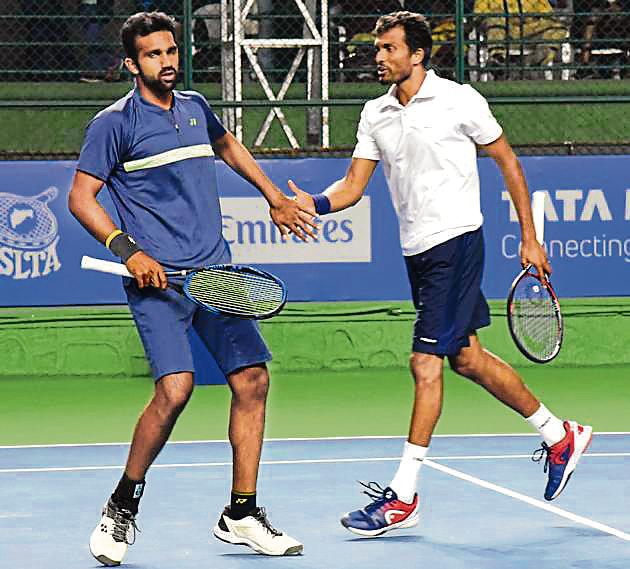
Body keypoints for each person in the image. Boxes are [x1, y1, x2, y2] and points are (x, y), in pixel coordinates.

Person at [290, 11, 592, 537]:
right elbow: (353, 186)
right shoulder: (375, 113)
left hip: (456, 242)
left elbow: (507, 161)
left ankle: (403, 496)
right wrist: (315, 203)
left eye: (388, 48)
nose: (379, 56)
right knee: (467, 358)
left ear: (417, 54)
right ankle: (558, 433)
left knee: (423, 363)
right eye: (377, 48)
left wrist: (529, 236)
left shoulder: (460, 100)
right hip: (419, 254)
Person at [68, 11, 314, 564]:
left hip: (214, 275)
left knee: (252, 381)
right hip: (158, 282)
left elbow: (229, 148)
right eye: (154, 54)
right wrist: (128, 250)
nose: (169, 61)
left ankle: (242, 513)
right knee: (175, 390)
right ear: (132, 64)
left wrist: (272, 194)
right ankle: (122, 505)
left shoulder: (196, 108)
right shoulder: (114, 124)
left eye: (172, 50)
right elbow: (81, 198)